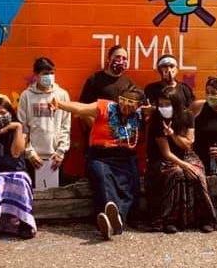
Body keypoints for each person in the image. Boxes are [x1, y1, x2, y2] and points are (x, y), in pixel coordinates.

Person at [52, 86, 147, 240]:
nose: (125, 106)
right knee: (103, 179)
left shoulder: (141, 114)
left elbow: (160, 111)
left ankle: (114, 223)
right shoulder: (105, 107)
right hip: (100, 156)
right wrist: (59, 104)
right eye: (123, 101)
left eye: (130, 104)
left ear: (138, 106)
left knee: (130, 187)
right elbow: (81, 108)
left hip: (125, 157)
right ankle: (112, 217)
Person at [146, 87, 217, 233]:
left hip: (186, 155)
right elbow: (165, 153)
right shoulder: (157, 121)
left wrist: (173, 134)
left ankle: (204, 218)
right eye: (161, 105)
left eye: (168, 104)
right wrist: (183, 165)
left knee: (197, 174)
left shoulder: (187, 116)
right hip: (163, 159)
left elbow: (188, 145)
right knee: (176, 173)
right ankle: (169, 219)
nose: (164, 108)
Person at [0, 98, 37, 240]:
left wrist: (18, 128)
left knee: (20, 181)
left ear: (10, 113)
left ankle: (24, 223)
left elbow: (16, 153)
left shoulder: (20, 130)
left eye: (3, 113)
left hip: (17, 171)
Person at [18, 57, 71, 188]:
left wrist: (60, 152)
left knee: (54, 198)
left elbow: (66, 125)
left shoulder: (62, 95)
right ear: (36, 75)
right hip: (33, 159)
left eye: (51, 73)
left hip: (55, 158)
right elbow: (22, 127)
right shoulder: (26, 96)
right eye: (45, 73)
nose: (49, 76)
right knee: (33, 195)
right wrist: (29, 152)